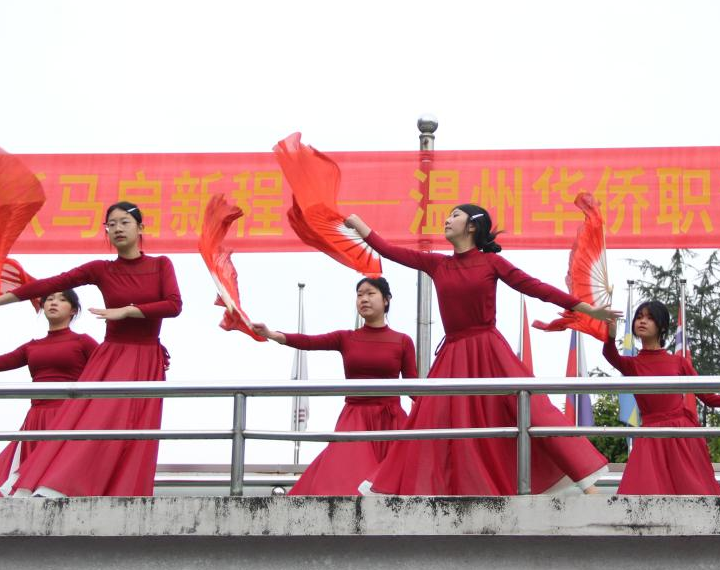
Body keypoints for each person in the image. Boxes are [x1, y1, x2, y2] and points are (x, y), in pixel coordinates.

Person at [341, 204, 618, 495]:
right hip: (452, 358)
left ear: (472, 225)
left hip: (489, 351)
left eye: (455, 216)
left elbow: (536, 288)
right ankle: (441, 492)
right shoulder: (437, 264)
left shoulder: (491, 263)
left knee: (533, 411)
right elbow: (388, 250)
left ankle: (587, 485)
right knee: (435, 421)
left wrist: (587, 309)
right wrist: (359, 224)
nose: (447, 220)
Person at [0, 201, 181, 497]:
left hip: (147, 358)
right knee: (96, 422)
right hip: (113, 356)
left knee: (135, 429)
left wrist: (127, 311)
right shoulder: (101, 269)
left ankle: (120, 493)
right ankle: (57, 486)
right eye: (111, 224)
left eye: (125, 222)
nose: (117, 229)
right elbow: (52, 283)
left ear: (141, 228)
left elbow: (173, 305)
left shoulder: (161, 265)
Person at [251, 277, 416, 495]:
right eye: (359, 295)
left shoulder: (403, 341)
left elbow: (414, 387)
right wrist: (272, 335)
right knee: (346, 481)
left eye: (370, 293)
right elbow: (309, 342)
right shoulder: (346, 338)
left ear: (386, 300)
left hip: (391, 420)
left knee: (395, 487)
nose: (363, 299)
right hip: (355, 418)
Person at [602, 300, 720, 495]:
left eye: (649, 318)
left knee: (692, 488)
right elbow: (610, 355)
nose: (642, 321)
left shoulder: (678, 362)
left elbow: (706, 396)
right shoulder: (632, 364)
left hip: (681, 431)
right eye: (639, 317)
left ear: (662, 327)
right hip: (651, 433)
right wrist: (611, 335)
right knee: (643, 491)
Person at [0, 290, 98, 497]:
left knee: (60, 478)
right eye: (49, 299)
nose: (54, 303)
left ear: (73, 310)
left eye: (62, 300)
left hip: (69, 416)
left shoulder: (83, 342)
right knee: (32, 483)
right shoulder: (32, 347)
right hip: (37, 417)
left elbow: (108, 369)